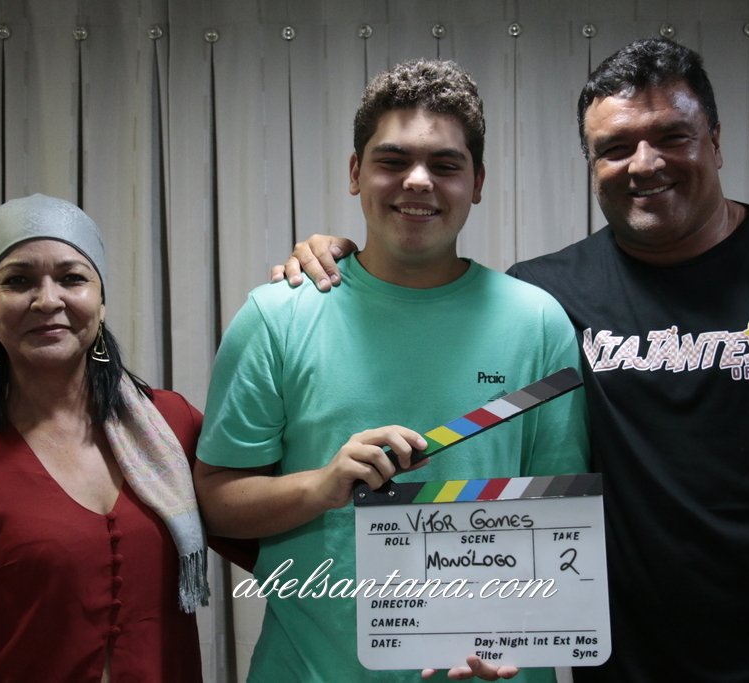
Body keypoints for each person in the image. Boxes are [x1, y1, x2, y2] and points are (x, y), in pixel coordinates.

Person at [273, 38, 749, 682]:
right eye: (615, 147)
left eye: (672, 136)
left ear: (715, 142)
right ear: (592, 163)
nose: (645, 163)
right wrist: (346, 260)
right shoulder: (543, 301)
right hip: (625, 665)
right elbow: (508, 479)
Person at [193, 60, 590, 682]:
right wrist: (321, 487)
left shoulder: (538, 322)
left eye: (446, 165)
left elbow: (561, 515)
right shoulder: (276, 317)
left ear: (478, 182)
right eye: (392, 160)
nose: (418, 181)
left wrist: (525, 634)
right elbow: (216, 501)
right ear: (356, 172)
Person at [0, 193, 256, 682]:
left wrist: (335, 271)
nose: (47, 300)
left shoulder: (171, 425)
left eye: (72, 278)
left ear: (101, 303)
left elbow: (274, 542)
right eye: (18, 280)